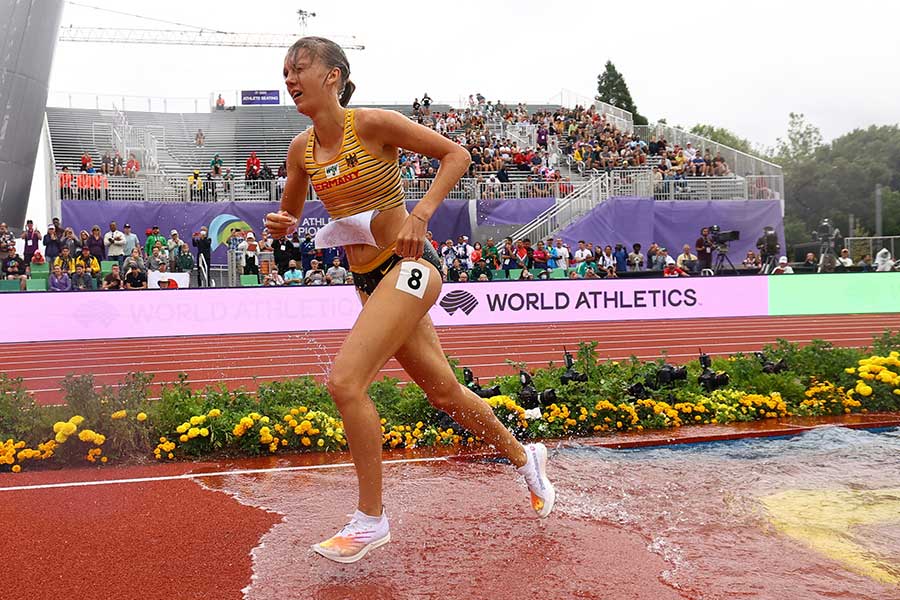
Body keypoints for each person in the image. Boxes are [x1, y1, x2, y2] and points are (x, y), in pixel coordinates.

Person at [266, 36, 553, 564]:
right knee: (444, 393)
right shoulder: (300, 150)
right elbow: (291, 210)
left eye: (298, 67)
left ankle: (370, 520)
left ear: (333, 76)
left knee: (345, 382)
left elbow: (457, 154)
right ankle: (523, 454)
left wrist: (420, 215)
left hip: (412, 268)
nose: (289, 78)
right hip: (369, 280)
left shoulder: (372, 124)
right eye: (284, 70)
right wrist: (283, 222)